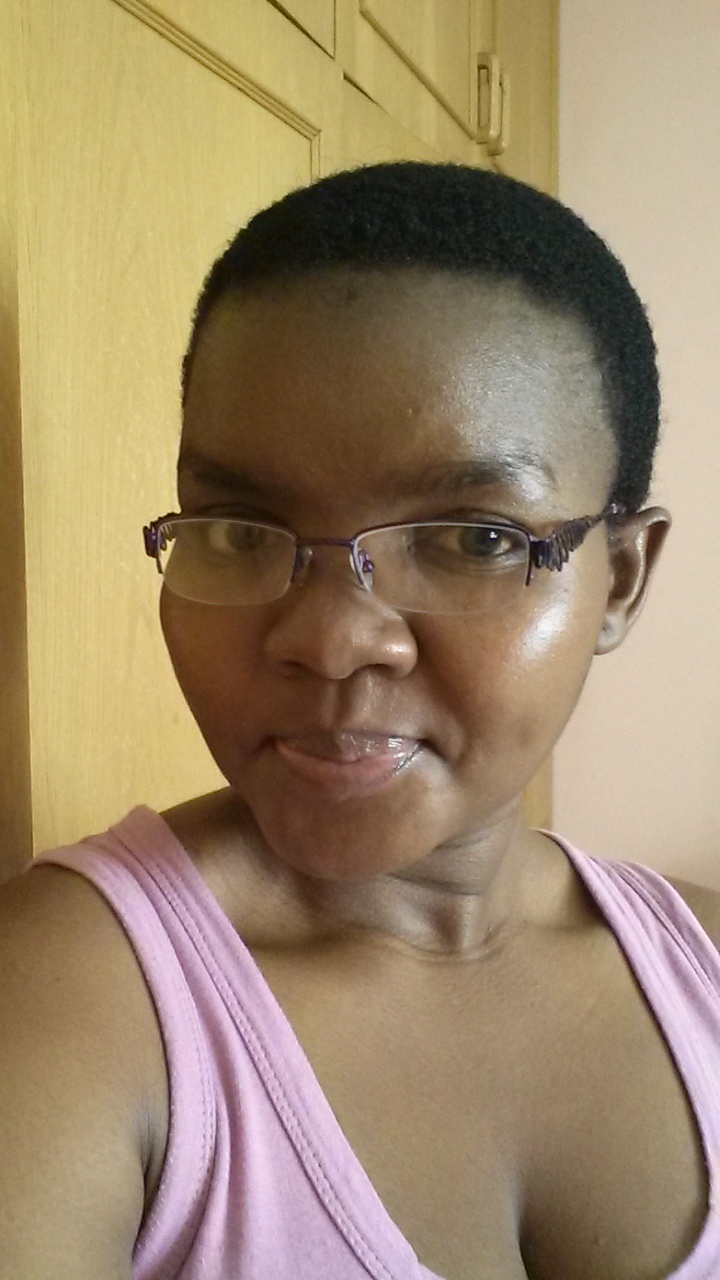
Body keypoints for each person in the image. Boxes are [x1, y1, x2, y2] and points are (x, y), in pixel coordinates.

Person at [0, 162, 718, 1280]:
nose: (332, 640)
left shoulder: (704, 963)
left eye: (474, 537)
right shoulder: (63, 996)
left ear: (620, 578)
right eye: (237, 525)